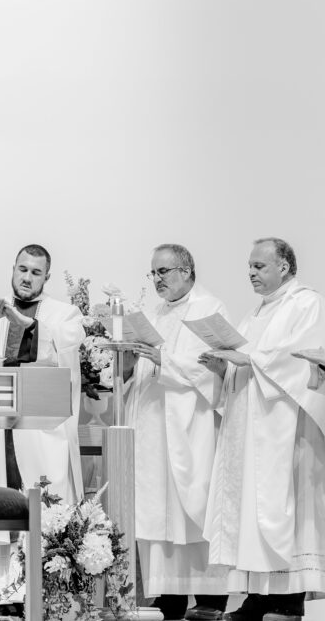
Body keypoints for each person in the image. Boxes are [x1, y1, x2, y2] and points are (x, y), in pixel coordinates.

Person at [200, 238, 325, 621]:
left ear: (284, 267)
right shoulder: (255, 314)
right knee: (250, 513)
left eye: (259, 266)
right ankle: (258, 596)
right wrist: (224, 368)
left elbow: (303, 359)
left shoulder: (306, 303)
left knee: (281, 511)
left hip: (285, 430)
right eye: (250, 266)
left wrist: (248, 358)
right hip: (251, 427)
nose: (251, 273)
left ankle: (289, 602)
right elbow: (248, 362)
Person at [0, 244, 84, 609]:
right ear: (12, 269)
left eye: (35, 272)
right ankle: (4, 593)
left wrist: (27, 325)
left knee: (45, 504)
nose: (26, 277)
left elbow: (58, 350)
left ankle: (47, 594)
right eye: (22, 269)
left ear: (47, 278)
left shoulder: (65, 314)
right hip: (0, 425)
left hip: (41, 430)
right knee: (2, 509)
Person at [124, 245, 229, 621]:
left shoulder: (209, 309)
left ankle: (210, 599)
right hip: (154, 430)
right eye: (153, 273)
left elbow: (212, 368)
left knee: (193, 511)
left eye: (164, 271)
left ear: (186, 271)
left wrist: (163, 359)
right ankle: (169, 599)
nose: (157, 280)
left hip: (190, 429)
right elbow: (142, 372)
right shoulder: (155, 314)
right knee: (157, 515)